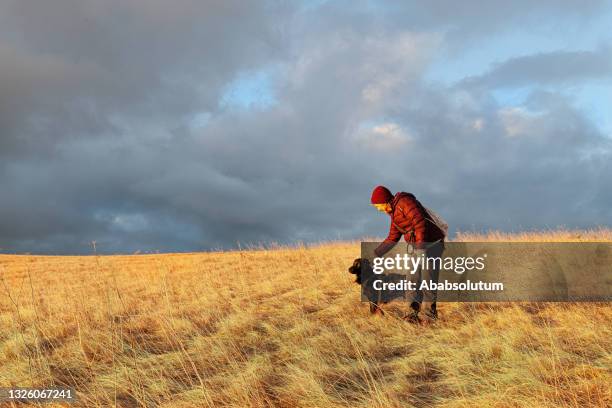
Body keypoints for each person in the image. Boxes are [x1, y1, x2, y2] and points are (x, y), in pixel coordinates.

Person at [370, 185, 446, 322]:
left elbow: (420, 223)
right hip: (415, 247)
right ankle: (412, 315)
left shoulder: (405, 202)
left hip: (432, 245)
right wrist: (376, 253)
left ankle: (429, 317)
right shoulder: (394, 214)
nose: (377, 208)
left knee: (428, 282)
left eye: (377, 205)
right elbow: (392, 237)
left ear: (384, 201)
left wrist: (421, 248)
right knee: (412, 280)